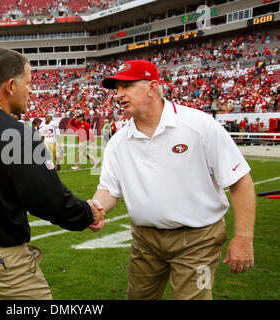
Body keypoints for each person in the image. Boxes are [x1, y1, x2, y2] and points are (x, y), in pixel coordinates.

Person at [0, 48, 105, 300]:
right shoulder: (16, 133)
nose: (30, 90)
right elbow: (49, 199)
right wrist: (87, 213)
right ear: (10, 86)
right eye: (27, 83)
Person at [94, 60, 256, 300]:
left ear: (152, 87)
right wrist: (95, 208)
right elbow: (109, 188)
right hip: (145, 240)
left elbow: (240, 180)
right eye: (116, 88)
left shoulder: (197, 125)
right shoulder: (119, 141)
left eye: (127, 86)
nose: (118, 95)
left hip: (198, 239)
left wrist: (243, 238)